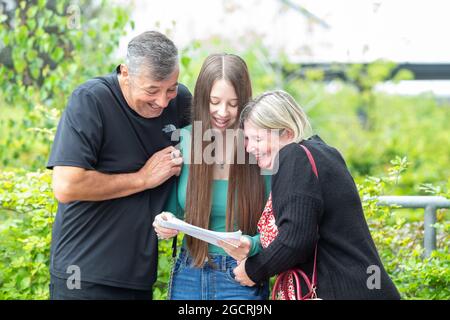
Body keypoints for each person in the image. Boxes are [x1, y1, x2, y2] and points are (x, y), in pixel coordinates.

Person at [47, 31, 191, 300]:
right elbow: (66, 185)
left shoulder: (180, 101)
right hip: (82, 276)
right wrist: (143, 178)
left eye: (170, 88)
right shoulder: (91, 100)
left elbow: (218, 140)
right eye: (152, 90)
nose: (162, 101)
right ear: (125, 73)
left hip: (138, 278)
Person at [230, 90, 401, 299]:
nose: (250, 147)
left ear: (287, 133)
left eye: (257, 138)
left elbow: (295, 240)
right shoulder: (323, 152)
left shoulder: (293, 158)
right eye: (247, 138)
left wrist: (252, 271)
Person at [153, 53, 270, 300]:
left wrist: (254, 246)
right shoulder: (184, 140)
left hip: (240, 275)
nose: (222, 112)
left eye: (233, 103)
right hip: (189, 270)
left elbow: (279, 225)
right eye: (214, 101)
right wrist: (165, 222)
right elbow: (172, 210)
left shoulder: (261, 147)